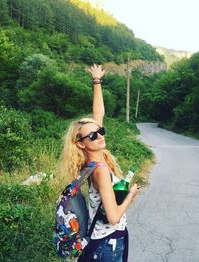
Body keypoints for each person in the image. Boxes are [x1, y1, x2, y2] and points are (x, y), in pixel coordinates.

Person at [60, 64, 140, 262]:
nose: (100, 136)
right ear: (81, 144)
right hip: (108, 242)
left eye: (101, 132)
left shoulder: (91, 161)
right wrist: (130, 195)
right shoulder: (101, 170)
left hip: (101, 240)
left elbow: (98, 115)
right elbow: (113, 217)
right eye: (93, 135)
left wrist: (97, 82)